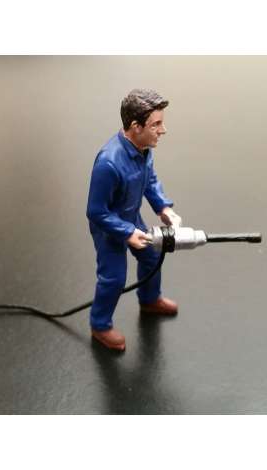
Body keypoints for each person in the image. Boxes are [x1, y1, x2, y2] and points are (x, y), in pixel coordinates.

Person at [86, 89, 182, 351]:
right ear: (136, 126)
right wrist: (127, 232)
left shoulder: (144, 149)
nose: (163, 130)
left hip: (131, 217)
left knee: (152, 256)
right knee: (113, 278)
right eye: (156, 125)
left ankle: (150, 299)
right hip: (109, 229)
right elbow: (96, 211)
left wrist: (163, 207)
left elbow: (149, 180)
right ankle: (100, 324)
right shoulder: (108, 163)